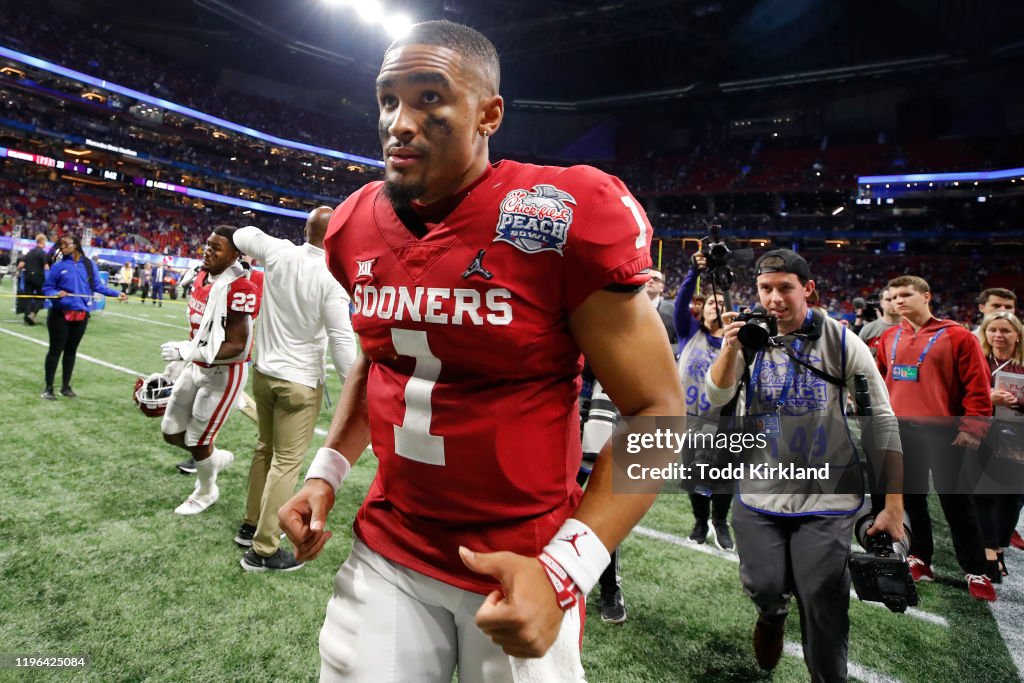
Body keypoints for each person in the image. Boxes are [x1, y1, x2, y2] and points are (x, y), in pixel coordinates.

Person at [277, 20, 684, 682]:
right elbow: (381, 357)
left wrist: (567, 568)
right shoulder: (352, 224)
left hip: (521, 562)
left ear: (488, 114)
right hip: (390, 547)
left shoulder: (561, 213)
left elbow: (658, 412)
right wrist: (325, 471)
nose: (399, 123)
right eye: (388, 100)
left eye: (429, 98)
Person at [706, 249, 905, 681]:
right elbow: (717, 395)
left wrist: (892, 505)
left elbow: (881, 420)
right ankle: (771, 616)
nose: (774, 298)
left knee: (822, 600)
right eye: (766, 288)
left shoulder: (841, 341)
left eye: (785, 288)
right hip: (760, 490)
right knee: (763, 585)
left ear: (808, 289)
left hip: (827, 496)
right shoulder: (749, 337)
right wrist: (729, 349)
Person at [232, 208, 358, 572]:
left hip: (264, 373)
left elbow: (241, 234)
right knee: (286, 463)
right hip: (299, 382)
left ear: (305, 229)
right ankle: (263, 549)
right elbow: (341, 340)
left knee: (264, 450)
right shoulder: (332, 278)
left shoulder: (279, 252)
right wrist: (355, 390)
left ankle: (250, 524)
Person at [876, 275, 995, 601]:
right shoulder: (889, 336)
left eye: (905, 294)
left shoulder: (957, 335)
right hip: (901, 429)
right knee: (911, 499)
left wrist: (973, 427)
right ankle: (920, 558)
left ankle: (976, 570)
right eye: (893, 296)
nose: (898, 301)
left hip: (945, 433)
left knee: (957, 503)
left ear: (926, 296)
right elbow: (881, 381)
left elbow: (977, 386)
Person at [157, 226, 262, 515]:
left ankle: (206, 491)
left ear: (234, 255)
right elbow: (200, 330)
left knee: (197, 439)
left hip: (223, 374)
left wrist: (187, 352)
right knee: (170, 430)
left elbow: (238, 346)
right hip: (196, 366)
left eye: (216, 248)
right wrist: (180, 361)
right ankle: (213, 459)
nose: (208, 251)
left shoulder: (240, 287)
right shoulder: (201, 274)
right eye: (208, 244)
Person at [674, 252, 733, 550]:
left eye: (721, 304)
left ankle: (720, 522)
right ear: (702, 308)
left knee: (723, 476)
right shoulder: (689, 332)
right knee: (693, 474)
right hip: (691, 419)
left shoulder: (734, 342)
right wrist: (692, 273)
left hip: (725, 420)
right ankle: (700, 521)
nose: (715, 307)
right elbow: (681, 302)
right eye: (711, 302)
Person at [40, 234, 127, 399]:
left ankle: (65, 386)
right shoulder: (58, 266)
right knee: (55, 351)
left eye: (66, 244)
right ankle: (48, 388)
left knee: (71, 352)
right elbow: (47, 288)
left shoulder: (88, 265)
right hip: (60, 315)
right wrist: (56, 293)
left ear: (76, 245)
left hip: (81, 315)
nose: (63, 247)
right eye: (61, 245)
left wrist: (117, 294)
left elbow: (98, 286)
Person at [974, 311, 1024, 583]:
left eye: (1005, 330)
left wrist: (1018, 402)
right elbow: (962, 392)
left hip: (1018, 435)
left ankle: (1000, 547)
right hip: (983, 431)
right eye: (992, 330)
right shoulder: (979, 358)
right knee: (983, 494)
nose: (998, 335)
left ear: (1018, 335)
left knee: (1012, 496)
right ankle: (989, 553)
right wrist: (988, 397)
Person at [857, 286, 902, 355]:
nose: (893, 303)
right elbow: (858, 357)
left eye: (895, 299)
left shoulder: (914, 328)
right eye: (888, 299)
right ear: (881, 303)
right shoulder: (868, 330)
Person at [17, 233, 49, 325]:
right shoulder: (43, 253)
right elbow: (46, 267)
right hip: (38, 277)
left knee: (28, 297)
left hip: (27, 276)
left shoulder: (29, 252)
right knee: (41, 297)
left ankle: (26, 317)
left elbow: (20, 265)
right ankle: (32, 314)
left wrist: (18, 271)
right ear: (42, 241)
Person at [647, 267, 679, 355]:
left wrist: (665, 351)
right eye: (647, 277)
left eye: (655, 279)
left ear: (662, 287)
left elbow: (683, 342)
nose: (650, 281)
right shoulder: (628, 307)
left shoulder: (673, 311)